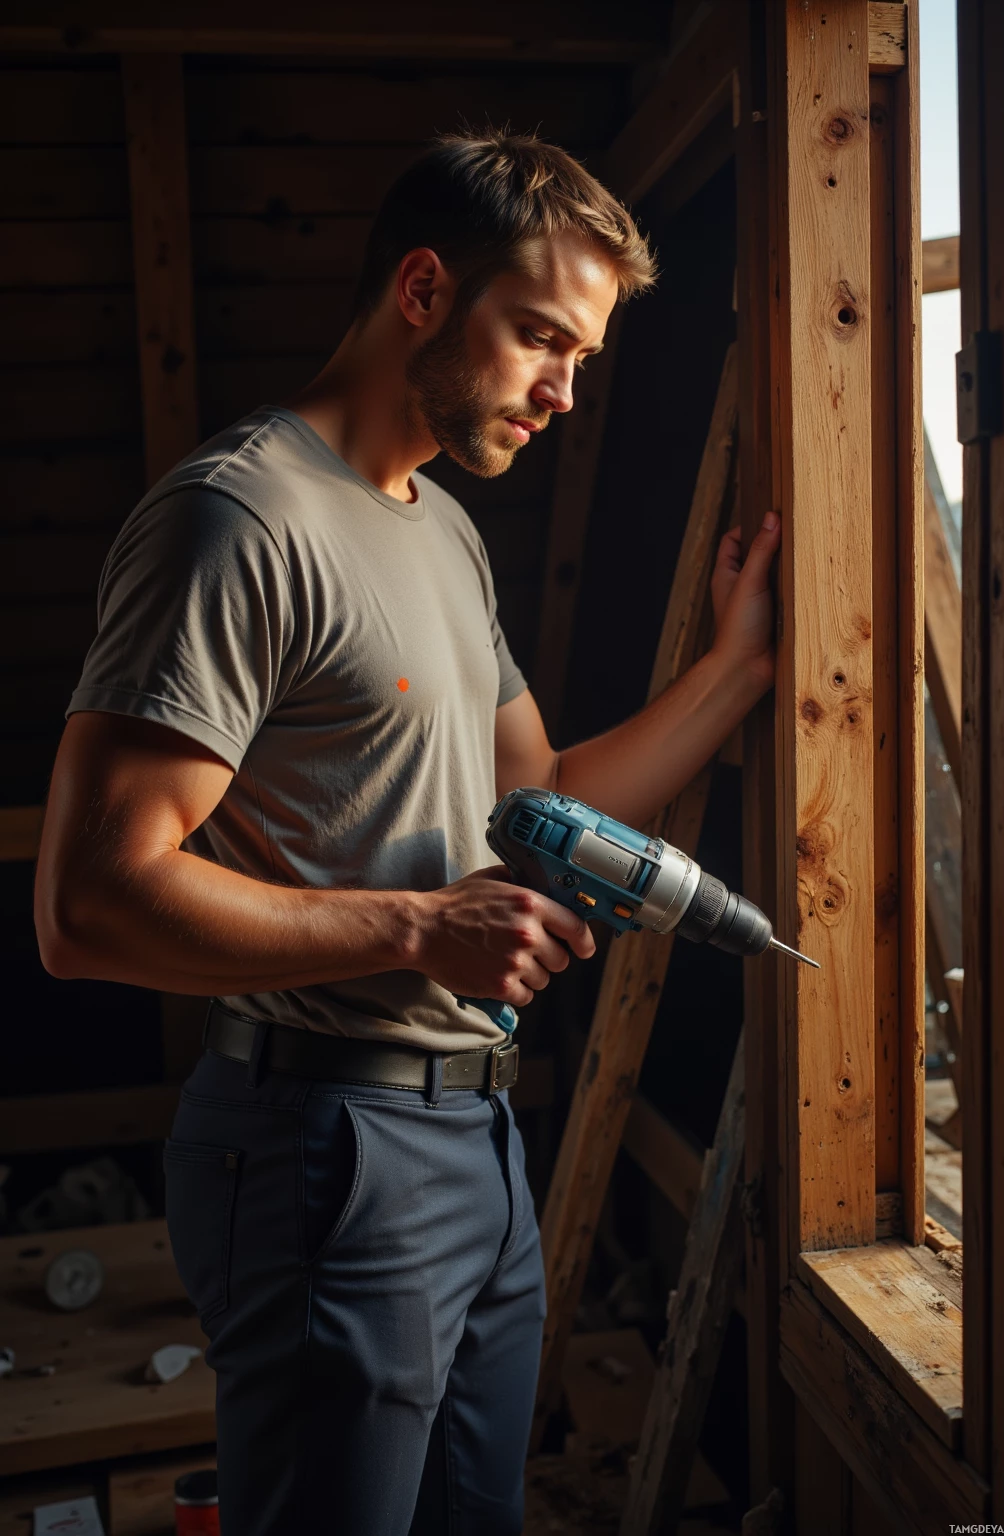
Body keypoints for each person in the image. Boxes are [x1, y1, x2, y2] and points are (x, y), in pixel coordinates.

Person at [34, 130, 781, 1535]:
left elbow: (545, 791)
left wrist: (737, 672)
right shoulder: (238, 520)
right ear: (425, 292)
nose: (563, 391)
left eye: (584, 359)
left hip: (475, 1143)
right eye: (541, 338)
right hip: (324, 1139)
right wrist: (423, 928)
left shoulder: (439, 526)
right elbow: (86, 905)